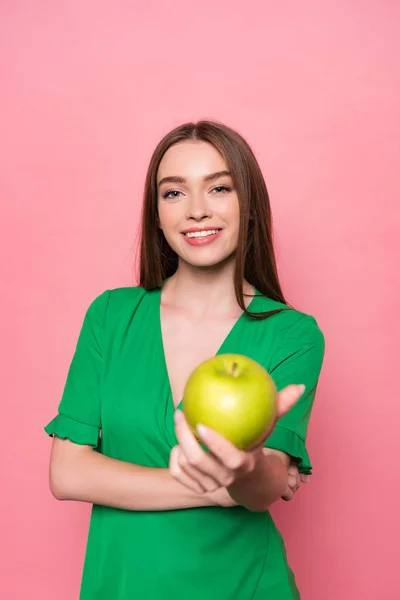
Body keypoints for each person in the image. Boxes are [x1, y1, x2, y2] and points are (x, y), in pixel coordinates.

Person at [44, 120, 325, 599]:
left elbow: (263, 486)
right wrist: (219, 486)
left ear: (249, 205)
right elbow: (67, 474)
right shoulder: (111, 316)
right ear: (156, 213)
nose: (197, 211)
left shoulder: (292, 334)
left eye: (218, 188)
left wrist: (253, 477)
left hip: (243, 585)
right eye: (173, 193)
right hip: (122, 585)